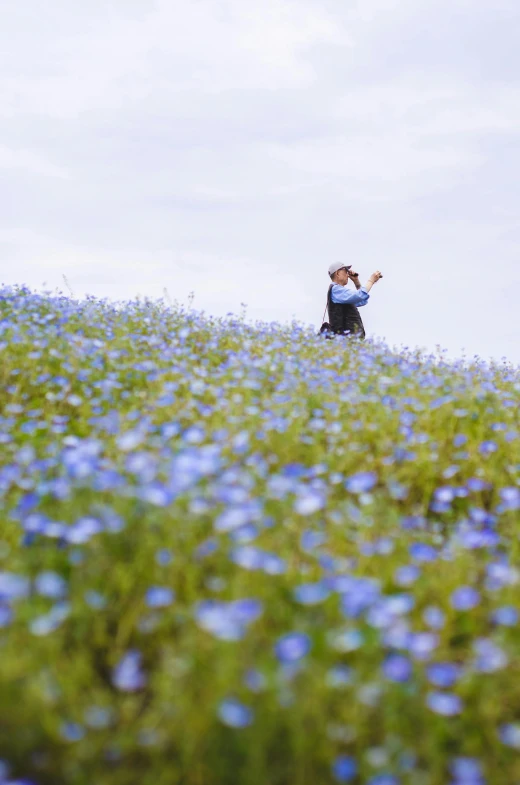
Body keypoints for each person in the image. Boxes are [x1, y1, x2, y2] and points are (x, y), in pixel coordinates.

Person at [324, 262, 383, 340]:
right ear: (338, 273)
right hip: (344, 340)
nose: (348, 274)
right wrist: (371, 280)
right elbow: (360, 295)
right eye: (346, 271)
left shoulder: (339, 291)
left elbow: (361, 300)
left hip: (349, 339)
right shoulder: (336, 289)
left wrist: (356, 281)